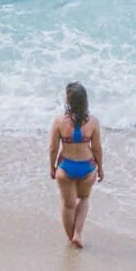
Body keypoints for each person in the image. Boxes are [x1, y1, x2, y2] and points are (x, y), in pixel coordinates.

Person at [48, 81, 104, 248]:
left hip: (66, 166)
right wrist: (100, 168)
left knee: (68, 205)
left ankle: (71, 238)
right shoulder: (93, 122)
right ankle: (77, 233)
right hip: (87, 166)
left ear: (68, 101)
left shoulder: (59, 121)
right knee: (84, 199)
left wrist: (52, 167)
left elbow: (52, 148)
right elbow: (97, 148)